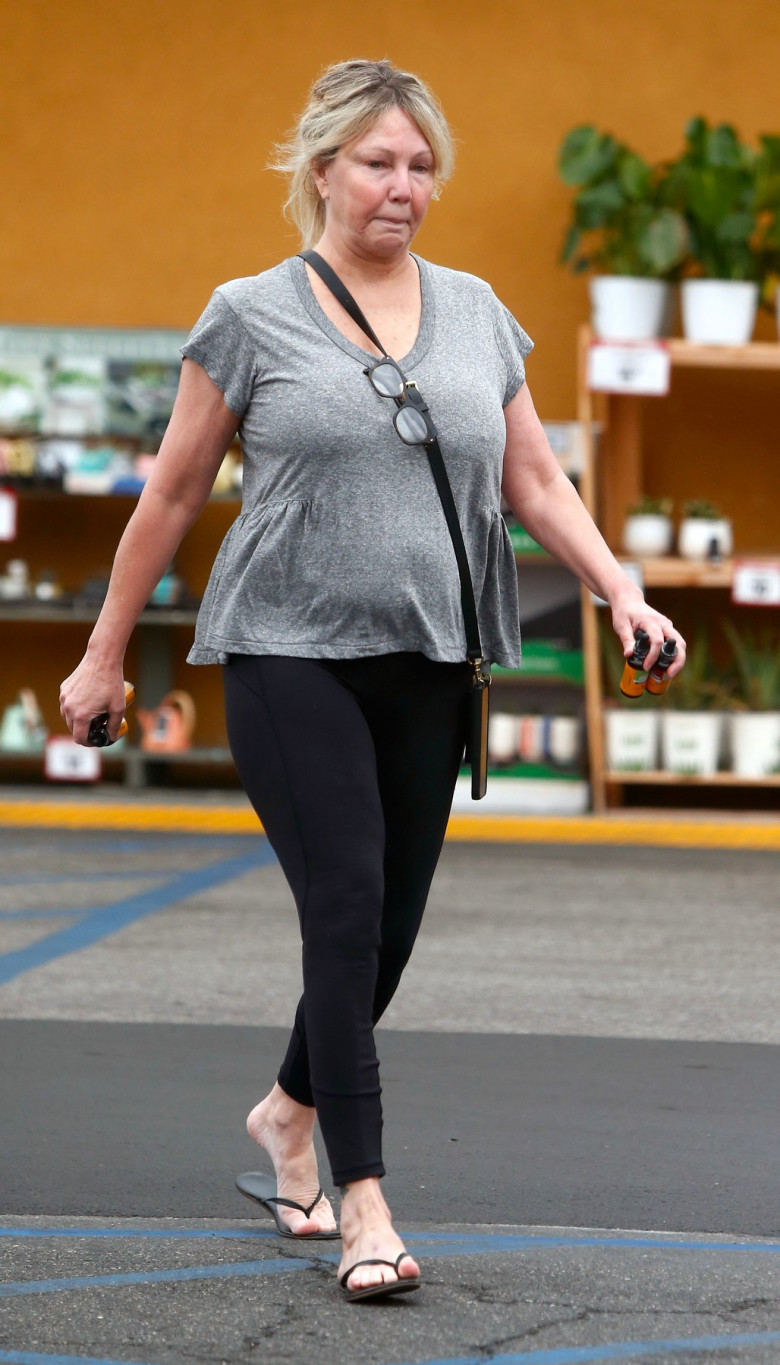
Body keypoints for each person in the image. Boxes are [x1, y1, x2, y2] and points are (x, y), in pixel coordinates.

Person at [59, 58, 686, 1302]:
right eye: (378, 164)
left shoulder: (478, 312)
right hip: (290, 651)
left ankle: (286, 1118)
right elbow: (175, 493)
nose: (403, 188)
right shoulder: (250, 313)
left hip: (434, 660)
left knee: (383, 937)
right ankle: (366, 1203)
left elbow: (536, 480)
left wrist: (622, 589)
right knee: (345, 909)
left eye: (420, 166)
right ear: (323, 170)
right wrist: (102, 653)